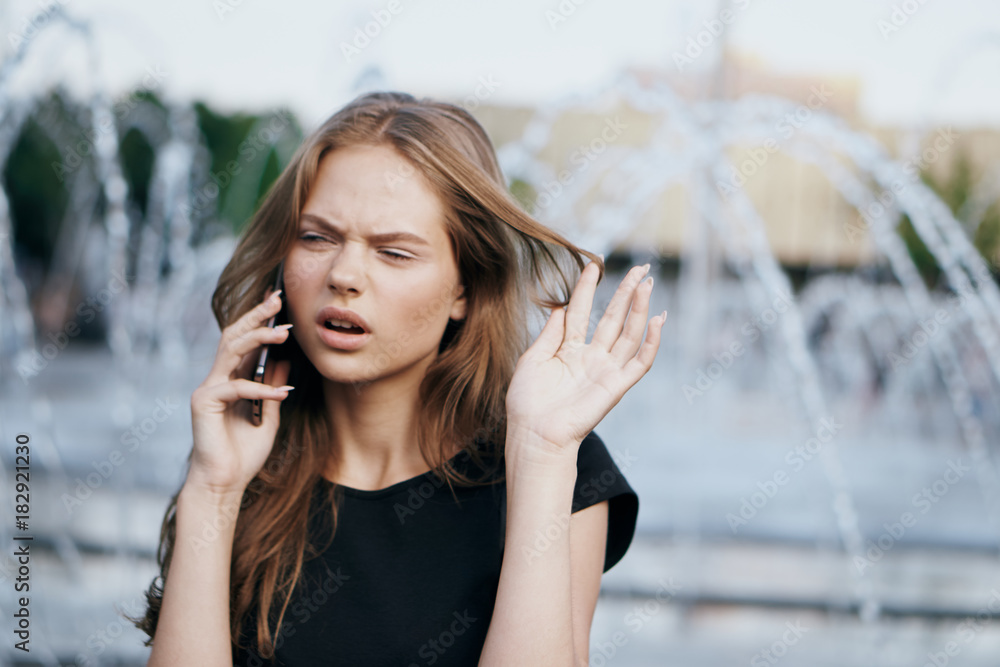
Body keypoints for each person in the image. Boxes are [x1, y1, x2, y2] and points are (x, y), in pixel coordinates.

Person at [130, 91, 665, 666]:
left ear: (465, 288)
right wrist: (213, 490)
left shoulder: (556, 462)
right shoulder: (244, 453)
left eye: (394, 253)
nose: (344, 275)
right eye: (317, 237)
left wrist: (541, 458)